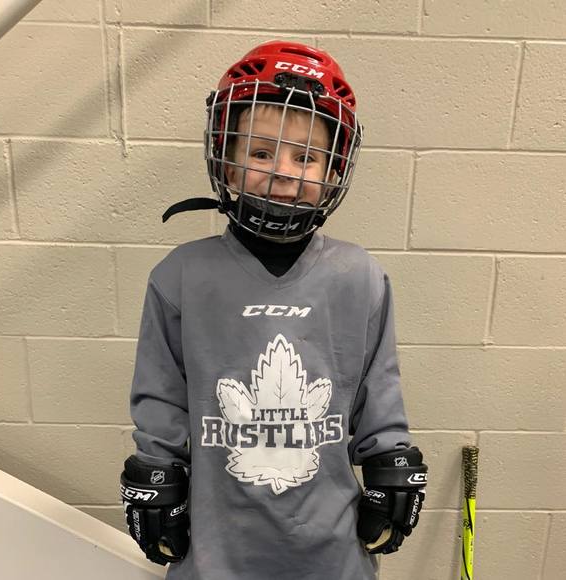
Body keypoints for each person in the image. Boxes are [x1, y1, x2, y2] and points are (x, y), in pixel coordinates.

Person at [120, 40, 428, 580]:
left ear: (333, 169)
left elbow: (379, 392)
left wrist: (391, 464)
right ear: (226, 159)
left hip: (331, 554)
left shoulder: (360, 277)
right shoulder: (181, 275)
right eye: (262, 153)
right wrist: (156, 473)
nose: (283, 171)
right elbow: (161, 395)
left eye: (304, 157)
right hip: (217, 554)